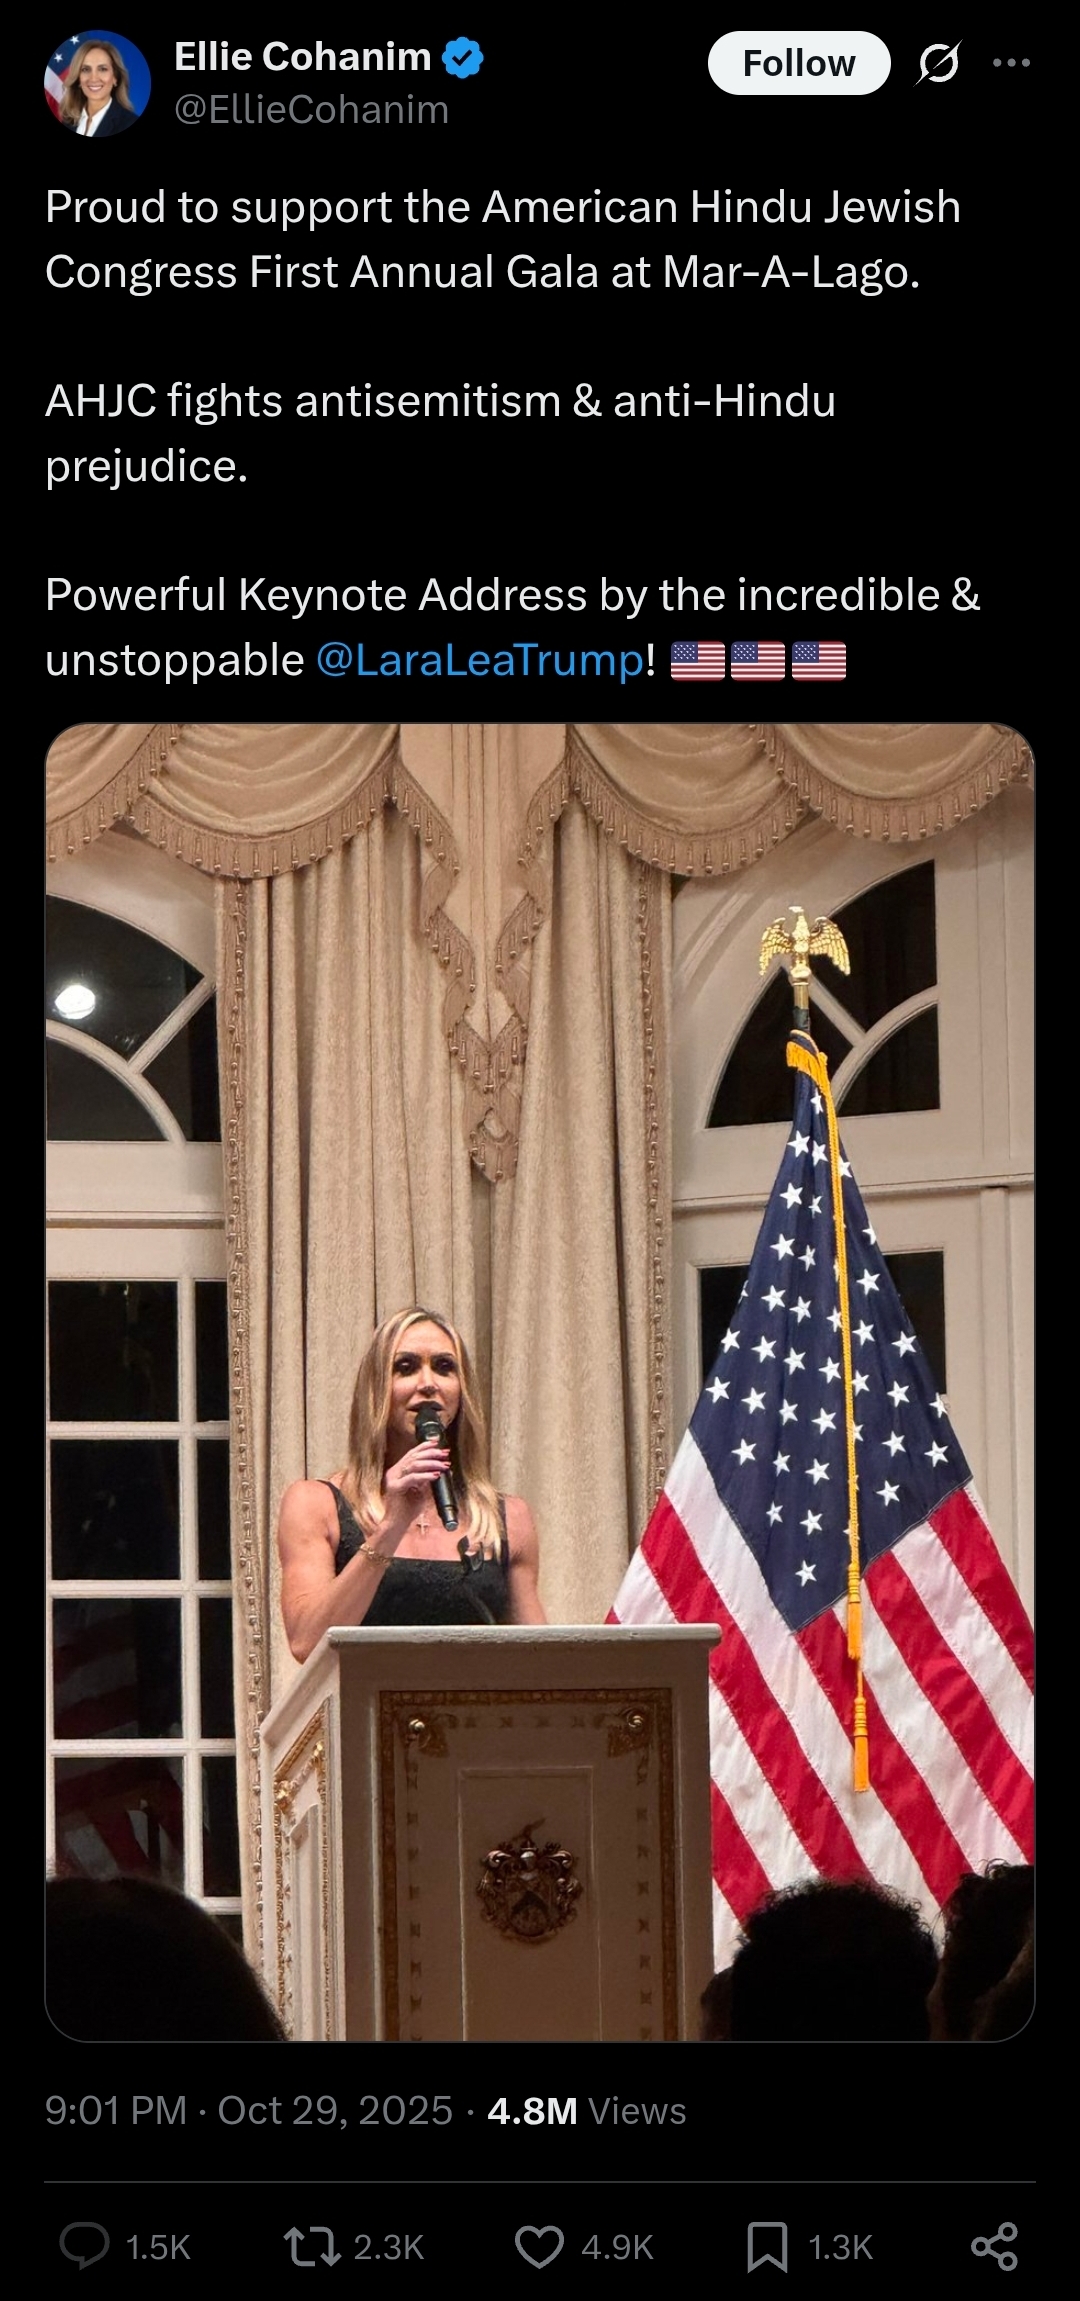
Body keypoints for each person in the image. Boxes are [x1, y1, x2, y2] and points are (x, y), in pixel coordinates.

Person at [278, 1307, 545, 1661]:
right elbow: (306, 1643)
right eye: (406, 1367)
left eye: (444, 1367)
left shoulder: (508, 1517)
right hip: (367, 1697)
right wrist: (390, 1527)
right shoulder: (316, 1504)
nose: (428, 1383)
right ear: (376, 1388)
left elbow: (540, 1661)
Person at [59, 41, 138, 136]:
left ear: (115, 78)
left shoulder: (129, 123)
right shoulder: (68, 121)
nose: (93, 78)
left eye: (102, 69)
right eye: (85, 69)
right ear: (78, 79)